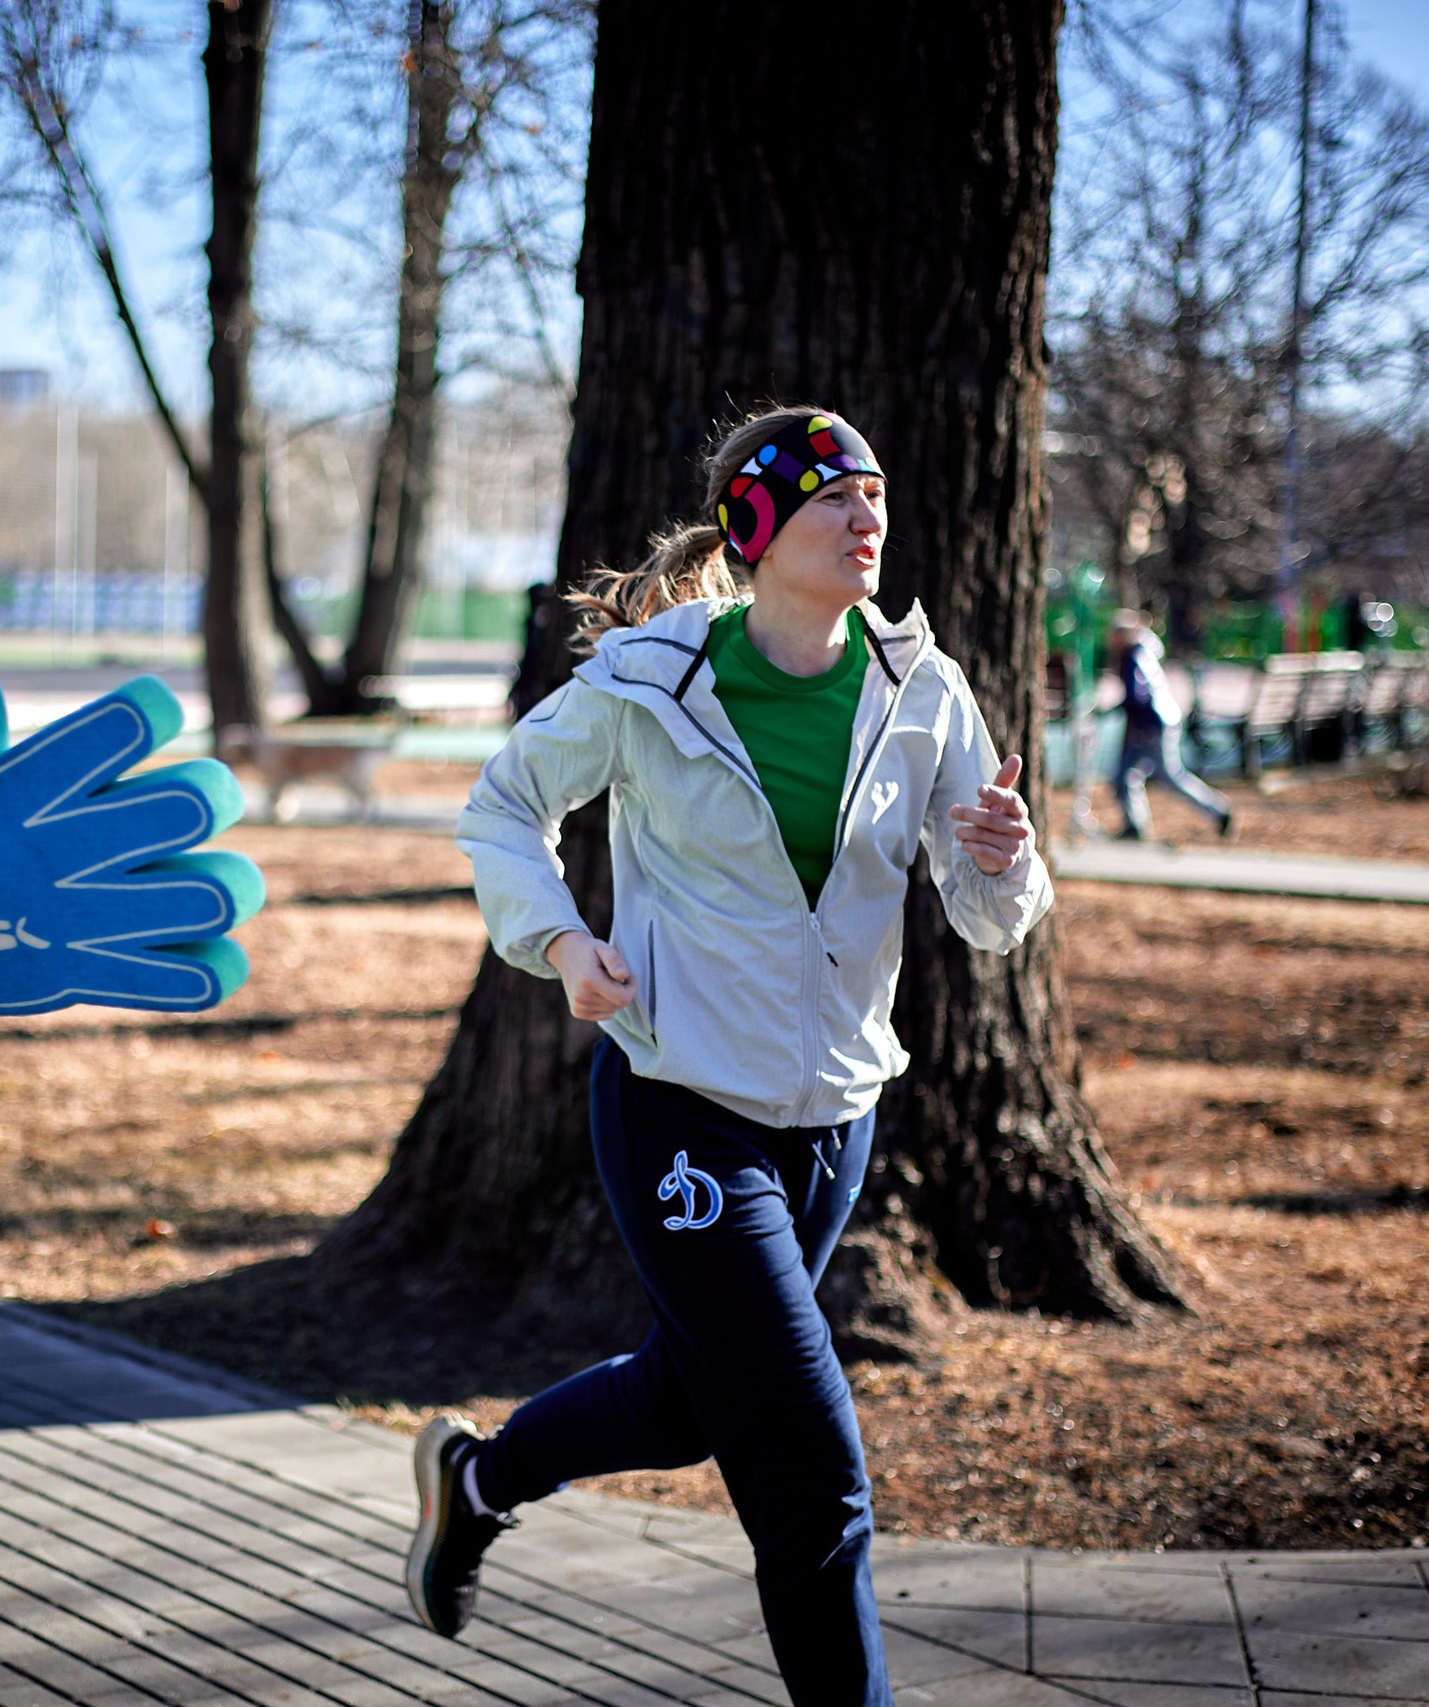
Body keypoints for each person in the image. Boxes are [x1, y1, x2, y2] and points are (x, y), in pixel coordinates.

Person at [406, 407, 1053, 1704]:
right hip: (676, 1106)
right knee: (813, 1471)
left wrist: (1003, 854)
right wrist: (559, 940)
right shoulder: (656, 679)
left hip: (834, 1120)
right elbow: (502, 806)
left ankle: (475, 1479)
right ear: (756, 528)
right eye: (835, 497)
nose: (869, 515)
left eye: (876, 492)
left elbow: (991, 919)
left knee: (689, 1400)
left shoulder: (922, 686)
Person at [1109, 610, 1232, 840]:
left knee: (1169, 777)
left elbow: (1138, 695)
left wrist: (1121, 708)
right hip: (1155, 722)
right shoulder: (1143, 653)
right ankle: (1135, 826)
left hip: (1152, 726)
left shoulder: (1133, 657)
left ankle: (1218, 810)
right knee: (1125, 774)